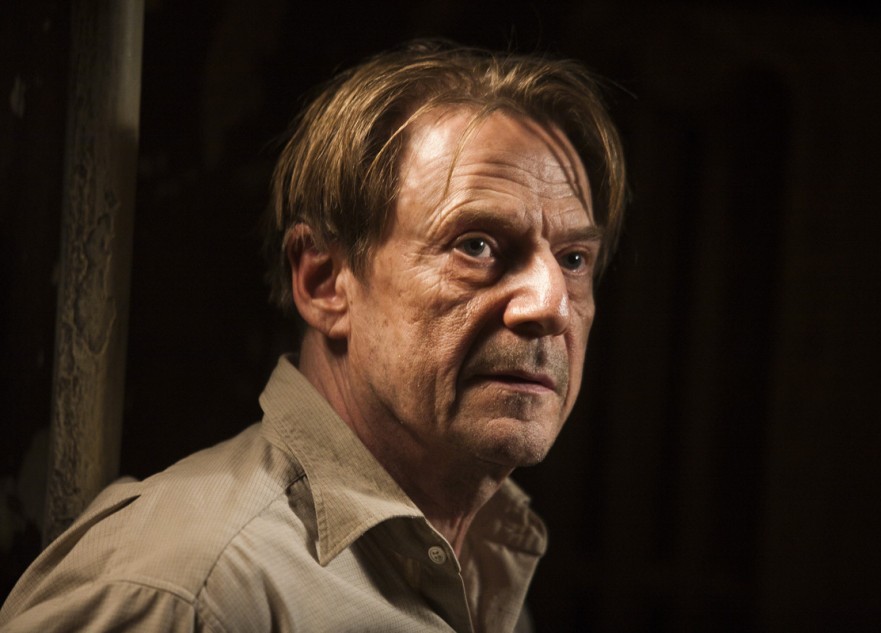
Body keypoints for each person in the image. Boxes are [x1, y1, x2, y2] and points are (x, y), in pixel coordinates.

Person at [0, 40, 627, 632]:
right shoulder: (188, 591)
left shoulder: (486, 559)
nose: (549, 306)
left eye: (574, 260)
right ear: (325, 282)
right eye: (478, 246)